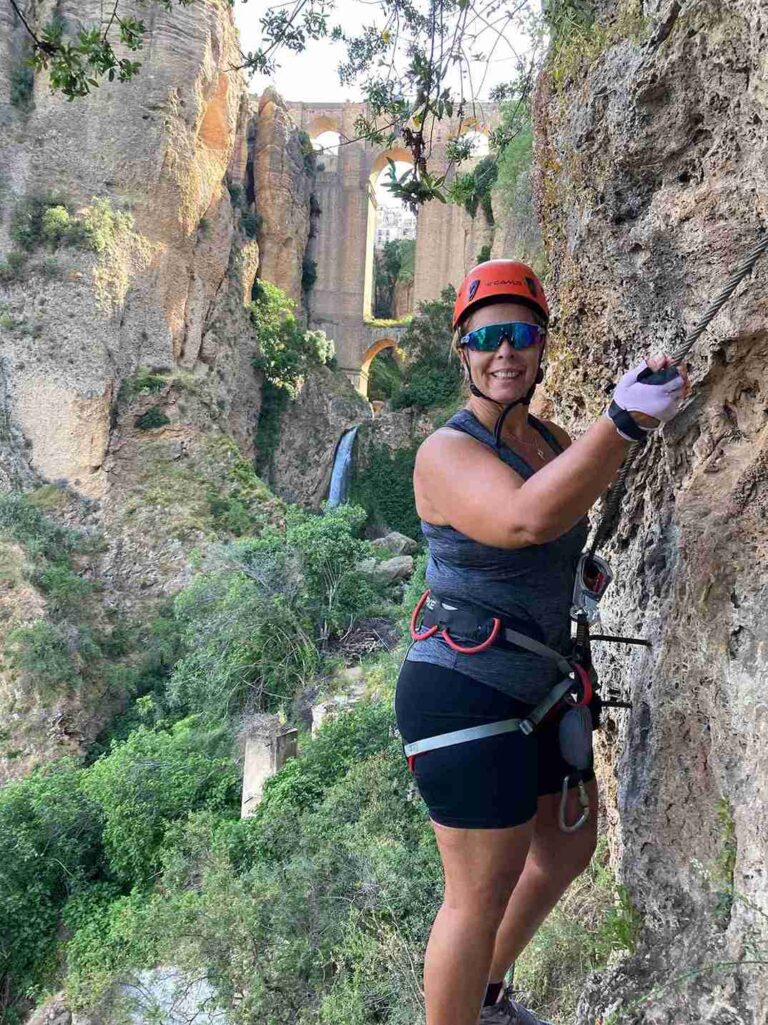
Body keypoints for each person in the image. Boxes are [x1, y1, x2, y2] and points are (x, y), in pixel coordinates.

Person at [394, 260, 691, 1025]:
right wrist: (621, 420)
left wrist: (644, 416)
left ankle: (486, 995)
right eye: (486, 337)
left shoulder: (551, 438)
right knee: (478, 890)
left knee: (565, 845)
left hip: (542, 681)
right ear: (462, 350)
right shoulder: (446, 452)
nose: (505, 352)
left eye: (521, 335)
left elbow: (570, 497)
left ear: (541, 345)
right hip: (463, 689)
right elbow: (525, 517)